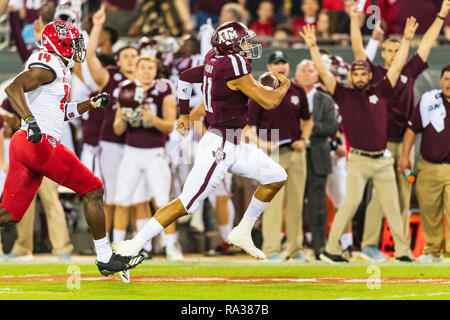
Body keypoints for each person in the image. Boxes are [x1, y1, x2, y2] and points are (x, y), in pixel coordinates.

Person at [113, 21, 290, 260]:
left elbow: (185, 77)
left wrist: (185, 113)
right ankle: (134, 244)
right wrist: (285, 85)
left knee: (276, 177)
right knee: (187, 203)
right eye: (243, 41)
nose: (249, 46)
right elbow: (269, 101)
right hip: (220, 145)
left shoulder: (214, 57)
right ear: (230, 46)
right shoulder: (234, 64)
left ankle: (243, 230)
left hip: (234, 142)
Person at [0, 20, 143, 275]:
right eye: (74, 43)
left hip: (26, 143)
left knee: (9, 215)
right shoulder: (50, 63)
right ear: (60, 42)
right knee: (93, 189)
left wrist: (90, 104)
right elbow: (13, 88)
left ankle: (105, 257)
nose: (77, 48)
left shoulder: (57, 69)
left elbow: (60, 111)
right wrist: (31, 122)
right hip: (39, 142)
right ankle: (105, 257)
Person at [299, 17, 418, 263]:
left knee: (393, 207)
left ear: (369, 75)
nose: (361, 76)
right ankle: (331, 250)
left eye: (364, 72)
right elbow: (323, 71)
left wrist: (406, 40)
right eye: (357, 73)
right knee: (349, 204)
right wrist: (313, 47)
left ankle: (403, 252)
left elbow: (396, 68)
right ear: (351, 77)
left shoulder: (381, 89)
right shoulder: (343, 94)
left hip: (382, 160)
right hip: (359, 160)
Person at [351, 0, 449, 262]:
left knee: (404, 195)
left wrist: (440, 16)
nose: (394, 54)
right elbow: (359, 51)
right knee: (378, 198)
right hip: (381, 145)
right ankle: (370, 246)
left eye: (398, 49)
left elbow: (426, 44)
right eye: (390, 50)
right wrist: (353, 22)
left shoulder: (409, 70)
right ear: (383, 53)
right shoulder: (374, 74)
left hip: (405, 144)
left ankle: (402, 248)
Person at [244, 50, 313, 261]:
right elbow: (247, 127)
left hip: (295, 153)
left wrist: (305, 139)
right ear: (269, 68)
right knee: (273, 204)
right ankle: (272, 249)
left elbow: (308, 119)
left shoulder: (297, 90)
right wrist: (261, 143)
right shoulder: (260, 91)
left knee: (296, 202)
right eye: (276, 63)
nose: (281, 66)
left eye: (283, 63)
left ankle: (295, 249)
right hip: (271, 155)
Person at [112, 56, 179, 260]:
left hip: (155, 152)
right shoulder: (126, 90)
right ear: (136, 69)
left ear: (156, 70)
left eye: (151, 68)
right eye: (143, 68)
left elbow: (170, 125)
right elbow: (117, 128)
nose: (147, 71)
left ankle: (171, 246)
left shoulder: (164, 89)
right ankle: (117, 246)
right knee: (123, 200)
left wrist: (152, 119)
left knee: (162, 202)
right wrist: (123, 116)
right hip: (131, 151)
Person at [398, 65, 450, 263]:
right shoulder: (429, 101)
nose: (449, 83)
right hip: (429, 167)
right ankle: (432, 251)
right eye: (446, 79)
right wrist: (404, 156)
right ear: (440, 82)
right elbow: (411, 130)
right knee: (429, 211)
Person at [295, 59, 339, 260]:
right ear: (296, 75)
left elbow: (332, 127)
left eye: (310, 71)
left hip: (318, 155)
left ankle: (319, 248)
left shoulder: (326, 99)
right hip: (295, 153)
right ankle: (293, 247)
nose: (306, 74)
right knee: (292, 203)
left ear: (316, 76)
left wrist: (307, 129)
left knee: (318, 205)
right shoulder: (288, 97)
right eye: (302, 71)